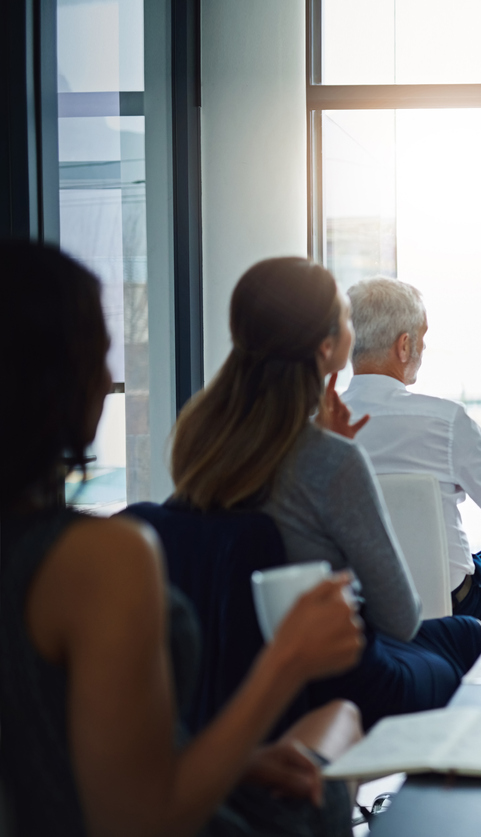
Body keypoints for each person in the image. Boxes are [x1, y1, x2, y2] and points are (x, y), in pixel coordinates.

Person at [0, 241, 364, 837]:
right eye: (100, 350)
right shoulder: (101, 557)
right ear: (52, 376)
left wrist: (239, 765)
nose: (109, 374)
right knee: (341, 720)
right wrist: (287, 660)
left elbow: (63, 761)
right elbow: (138, 823)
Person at [169, 258, 481, 727]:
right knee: (470, 635)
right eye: (345, 317)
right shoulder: (329, 458)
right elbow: (400, 618)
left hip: (244, 663)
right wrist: (337, 453)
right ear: (328, 345)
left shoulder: (200, 439)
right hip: (338, 670)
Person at [340, 278, 481, 632]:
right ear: (404, 346)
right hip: (455, 610)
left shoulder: (315, 425)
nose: (423, 347)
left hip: (358, 614)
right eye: (422, 337)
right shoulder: (444, 420)